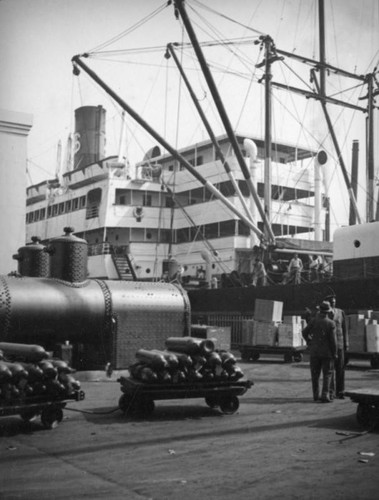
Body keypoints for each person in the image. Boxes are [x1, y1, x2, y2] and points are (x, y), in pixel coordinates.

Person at [302, 301, 337, 402]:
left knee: (315, 375)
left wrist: (309, 341)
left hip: (314, 352)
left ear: (320, 310)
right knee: (328, 374)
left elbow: (304, 332)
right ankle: (325, 395)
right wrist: (334, 353)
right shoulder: (331, 323)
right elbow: (333, 341)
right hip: (327, 353)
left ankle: (315, 396)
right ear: (328, 312)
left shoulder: (313, 321)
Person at [326, 295, 348, 399]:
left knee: (340, 369)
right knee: (331, 370)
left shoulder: (341, 312)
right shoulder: (325, 313)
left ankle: (341, 391)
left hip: (339, 345)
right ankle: (332, 392)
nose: (333, 303)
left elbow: (345, 329)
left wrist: (346, 343)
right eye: (331, 302)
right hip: (329, 346)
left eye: (334, 302)